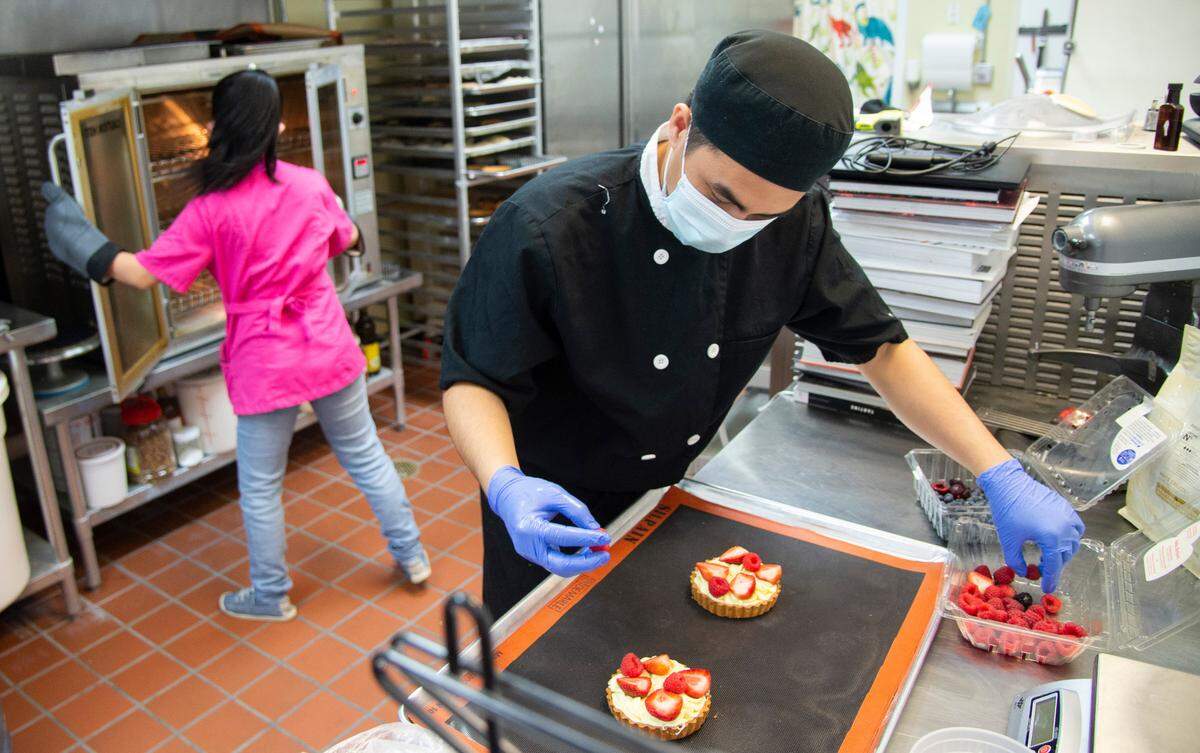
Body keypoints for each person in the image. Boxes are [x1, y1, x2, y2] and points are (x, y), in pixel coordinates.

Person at [440, 30, 1084, 619]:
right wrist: (506, 484)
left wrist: (998, 470)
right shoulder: (548, 224)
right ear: (681, 124)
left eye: (764, 216)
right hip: (547, 505)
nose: (737, 227)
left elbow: (881, 351)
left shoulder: (794, 225)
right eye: (723, 197)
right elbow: (476, 378)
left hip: (671, 501)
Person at [41, 70, 430, 622]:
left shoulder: (210, 209)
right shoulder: (308, 184)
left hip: (265, 357)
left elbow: (137, 274)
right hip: (323, 339)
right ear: (275, 125)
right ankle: (412, 556)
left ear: (215, 126)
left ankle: (271, 596)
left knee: (261, 488)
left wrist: (76, 237)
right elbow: (347, 237)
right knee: (366, 457)